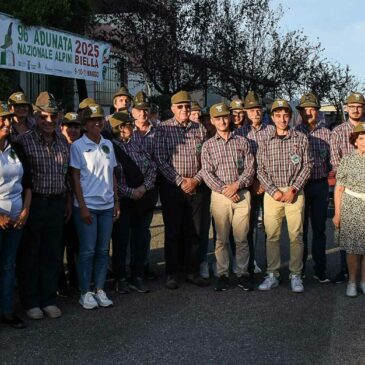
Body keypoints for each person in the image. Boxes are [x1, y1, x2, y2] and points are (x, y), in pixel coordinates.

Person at [17, 92, 71, 320]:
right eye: (44, 117)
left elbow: (67, 175)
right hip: (35, 203)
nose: (49, 122)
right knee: (31, 253)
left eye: (53, 117)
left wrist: (68, 201)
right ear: (36, 116)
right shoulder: (24, 141)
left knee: (52, 253)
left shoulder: (62, 141)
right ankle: (31, 301)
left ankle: (48, 298)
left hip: (58, 203)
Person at [154, 90, 209, 289]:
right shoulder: (163, 129)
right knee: (173, 231)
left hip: (196, 187)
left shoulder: (199, 129)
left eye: (187, 106)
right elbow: (160, 159)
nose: (185, 109)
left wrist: (195, 180)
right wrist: (180, 181)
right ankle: (172, 273)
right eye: (180, 107)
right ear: (172, 109)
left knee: (194, 232)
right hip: (173, 188)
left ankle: (192, 271)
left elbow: (207, 160)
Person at [257, 99, 313, 293]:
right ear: (272, 117)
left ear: (290, 116)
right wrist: (273, 191)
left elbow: (307, 165)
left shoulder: (300, 138)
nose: (282, 119)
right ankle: (272, 274)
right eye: (278, 115)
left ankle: (296, 275)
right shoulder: (264, 140)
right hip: (273, 194)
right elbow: (261, 170)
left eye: (285, 115)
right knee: (272, 236)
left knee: (296, 236)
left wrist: (294, 189)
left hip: (294, 192)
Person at [70, 103, 120, 310]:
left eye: (99, 119)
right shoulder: (78, 146)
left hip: (107, 205)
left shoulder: (108, 143)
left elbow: (113, 174)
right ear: (85, 124)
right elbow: (75, 177)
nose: (97, 123)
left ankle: (99, 289)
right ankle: (85, 292)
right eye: (92, 120)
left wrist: (116, 200)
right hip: (87, 206)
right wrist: (82, 206)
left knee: (102, 250)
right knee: (87, 251)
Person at [201, 103, 255, 291]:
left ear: (230, 118)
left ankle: (242, 273)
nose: (222, 121)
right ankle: (222, 273)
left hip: (241, 194)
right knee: (221, 239)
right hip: (220, 196)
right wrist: (225, 190)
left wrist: (236, 186)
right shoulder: (208, 145)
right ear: (212, 121)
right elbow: (207, 173)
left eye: (225, 117)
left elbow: (250, 169)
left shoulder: (242, 142)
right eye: (218, 118)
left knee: (241, 238)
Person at [110, 112, 158, 294]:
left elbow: (152, 167)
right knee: (121, 241)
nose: (134, 127)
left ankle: (137, 275)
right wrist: (130, 192)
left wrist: (144, 188)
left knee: (141, 239)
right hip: (123, 201)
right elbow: (111, 176)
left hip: (142, 200)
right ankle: (120, 277)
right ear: (121, 128)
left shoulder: (138, 144)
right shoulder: (111, 148)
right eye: (130, 124)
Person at [236, 91, 275, 276]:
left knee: (270, 228)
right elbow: (239, 162)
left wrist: (264, 182)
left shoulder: (271, 130)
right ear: (245, 112)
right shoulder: (239, 133)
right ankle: (250, 264)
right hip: (248, 186)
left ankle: (271, 267)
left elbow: (275, 160)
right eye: (251, 110)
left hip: (268, 186)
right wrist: (251, 181)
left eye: (258, 109)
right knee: (248, 229)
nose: (255, 113)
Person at [0, 104, 31, 329]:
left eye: (8, 119)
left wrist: (26, 210)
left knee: (9, 265)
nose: (6, 124)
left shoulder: (16, 147)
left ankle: (7, 310)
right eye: (1, 120)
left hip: (17, 217)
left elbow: (27, 183)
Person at [295, 93, 331, 282]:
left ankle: (320, 268)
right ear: (300, 111)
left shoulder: (327, 133)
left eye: (312, 109)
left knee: (319, 229)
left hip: (319, 185)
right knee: (300, 230)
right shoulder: (295, 132)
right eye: (305, 109)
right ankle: (298, 269)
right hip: (301, 186)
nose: (309, 112)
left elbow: (331, 160)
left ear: (317, 111)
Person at [330, 92, 365, 284]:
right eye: (352, 106)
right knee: (346, 231)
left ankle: (361, 277)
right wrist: (349, 172)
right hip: (346, 185)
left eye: (359, 106)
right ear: (347, 108)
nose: (356, 109)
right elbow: (335, 160)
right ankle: (346, 272)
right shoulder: (338, 131)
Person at [130, 91, 158, 280]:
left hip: (149, 187)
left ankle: (143, 265)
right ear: (132, 111)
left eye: (145, 110)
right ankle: (126, 269)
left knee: (143, 230)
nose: (142, 114)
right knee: (127, 231)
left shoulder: (158, 130)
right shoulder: (125, 130)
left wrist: (146, 186)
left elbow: (158, 160)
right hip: (128, 190)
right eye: (139, 110)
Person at [58, 112, 82, 295]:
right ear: (62, 128)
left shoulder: (82, 147)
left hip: (79, 203)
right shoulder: (60, 147)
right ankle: (60, 283)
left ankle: (76, 278)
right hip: (62, 201)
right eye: (69, 126)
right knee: (59, 245)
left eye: (76, 126)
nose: (73, 130)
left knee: (75, 244)